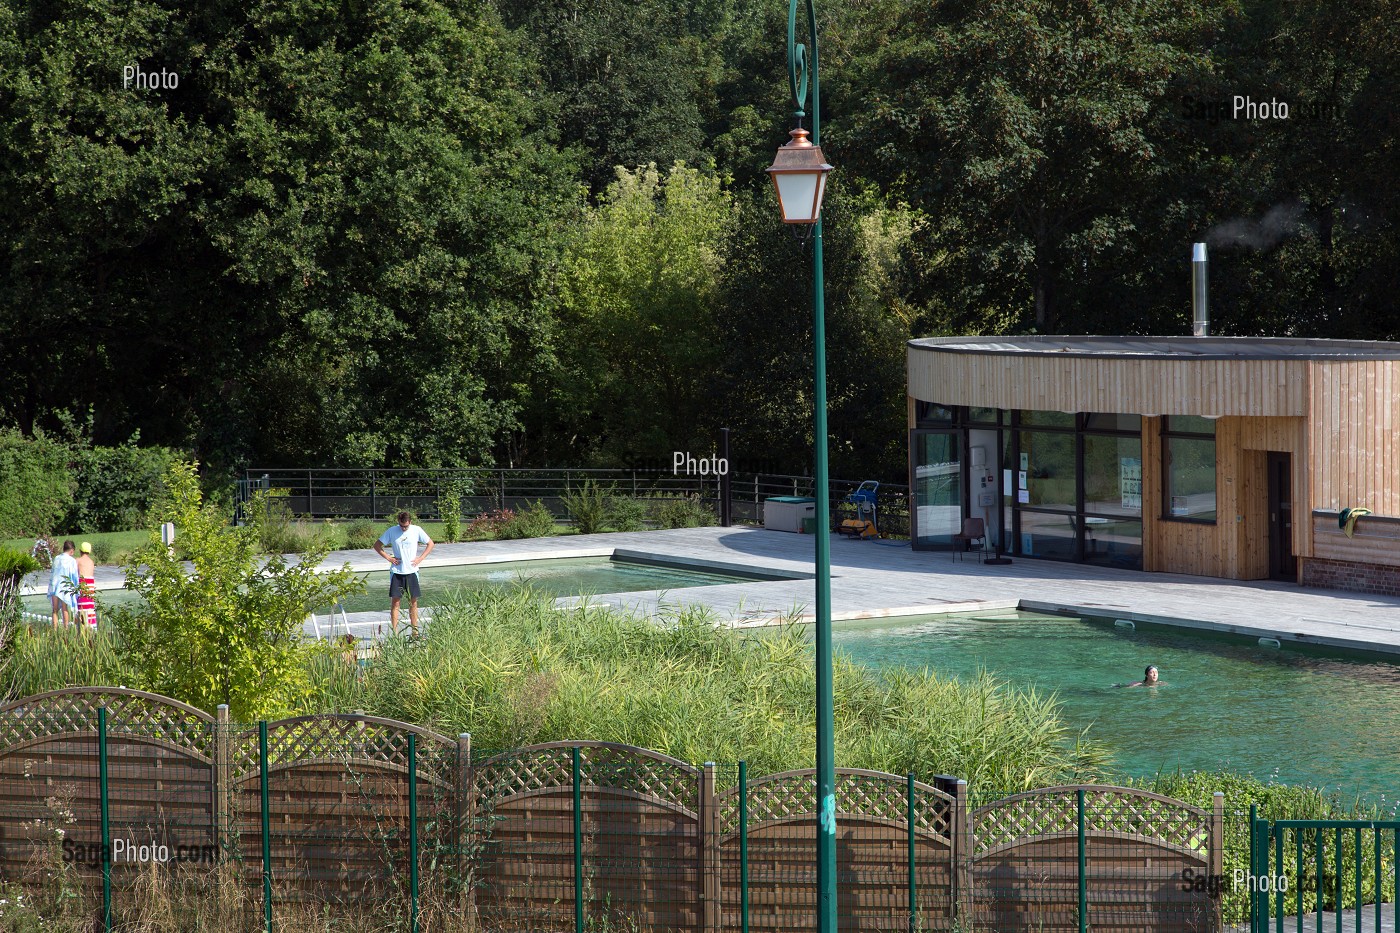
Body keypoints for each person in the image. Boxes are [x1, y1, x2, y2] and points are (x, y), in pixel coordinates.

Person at [374, 512, 434, 636]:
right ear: (398, 522)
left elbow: (430, 543)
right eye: (402, 526)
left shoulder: (416, 530)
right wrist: (389, 558)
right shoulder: (392, 531)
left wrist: (420, 559)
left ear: (410, 522)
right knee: (396, 602)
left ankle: (415, 632)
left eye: (406, 526)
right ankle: (395, 633)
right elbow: (377, 545)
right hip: (397, 572)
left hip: (412, 571)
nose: (403, 528)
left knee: (413, 602)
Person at [48, 540, 80, 626]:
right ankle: (65, 631)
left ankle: (54, 630)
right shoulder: (71, 560)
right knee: (64, 608)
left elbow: (53, 572)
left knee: (54, 610)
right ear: (72, 550)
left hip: (55, 585)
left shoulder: (56, 558)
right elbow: (74, 575)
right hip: (64, 586)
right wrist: (77, 588)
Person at [75, 542, 98, 627]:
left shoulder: (78, 560)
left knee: (82, 606)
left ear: (80, 550)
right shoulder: (91, 562)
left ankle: (82, 625)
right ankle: (92, 624)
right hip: (91, 584)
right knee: (90, 605)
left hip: (83, 583)